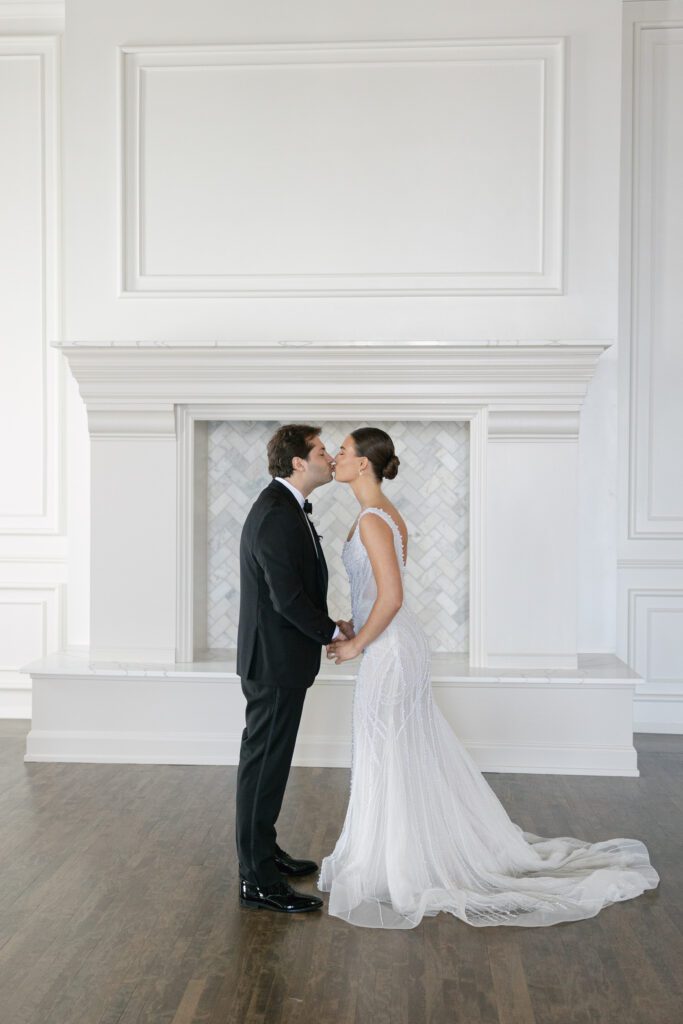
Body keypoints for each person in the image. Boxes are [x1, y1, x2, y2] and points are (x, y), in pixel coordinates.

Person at [319, 426, 660, 929]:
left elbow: (391, 598)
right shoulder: (384, 515)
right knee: (394, 748)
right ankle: (392, 854)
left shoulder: (372, 520)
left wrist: (355, 643)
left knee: (384, 747)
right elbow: (377, 597)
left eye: (343, 452)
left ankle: (395, 864)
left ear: (363, 464)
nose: (335, 458)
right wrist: (355, 624)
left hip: (390, 649)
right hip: (394, 642)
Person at [235, 424, 353, 913]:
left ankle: (265, 851)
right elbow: (287, 599)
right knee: (263, 767)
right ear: (299, 462)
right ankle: (257, 879)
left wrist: (330, 626)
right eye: (322, 451)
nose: (329, 457)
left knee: (272, 765)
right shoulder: (276, 515)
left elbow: (294, 590)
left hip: (281, 660)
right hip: (274, 662)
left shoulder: (287, 509)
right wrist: (332, 633)